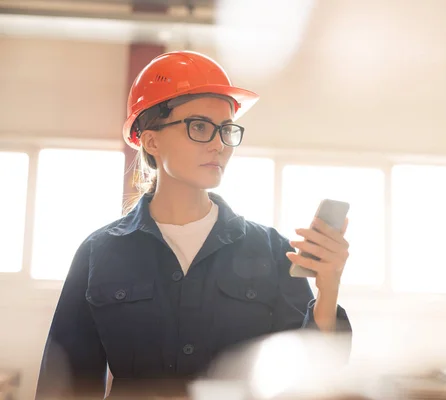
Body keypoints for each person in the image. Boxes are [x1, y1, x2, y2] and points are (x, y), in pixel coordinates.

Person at [35, 51, 352, 399]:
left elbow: (309, 374)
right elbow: (64, 385)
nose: (219, 144)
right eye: (199, 126)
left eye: (226, 130)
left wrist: (328, 289)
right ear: (151, 140)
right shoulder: (99, 253)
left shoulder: (272, 250)